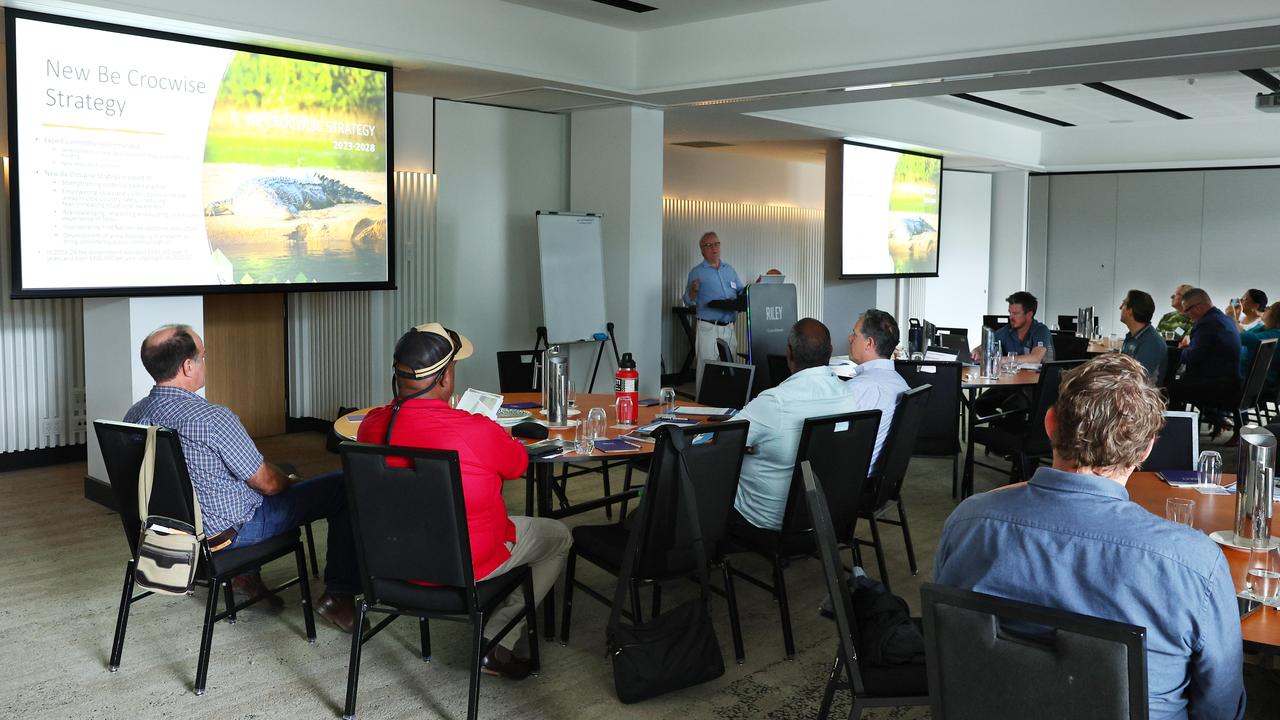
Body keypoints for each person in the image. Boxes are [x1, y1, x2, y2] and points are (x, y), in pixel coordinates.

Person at [934, 354, 1245, 720]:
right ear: (1145, 450)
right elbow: (1220, 709)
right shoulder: (1193, 563)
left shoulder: (967, 522)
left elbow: (950, 650)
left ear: (1050, 425)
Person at [356, 323, 571, 680]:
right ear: (444, 380)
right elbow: (517, 464)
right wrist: (486, 431)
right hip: (462, 564)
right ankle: (496, 642)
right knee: (559, 536)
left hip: (390, 562)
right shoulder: (473, 429)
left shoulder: (371, 427)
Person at [124, 325, 361, 632]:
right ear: (187, 367)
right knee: (342, 486)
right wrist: (288, 479)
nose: (205, 362)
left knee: (235, 483)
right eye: (203, 356)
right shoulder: (212, 418)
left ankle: (244, 576)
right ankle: (339, 596)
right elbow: (268, 484)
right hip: (224, 535)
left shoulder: (134, 416)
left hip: (167, 533)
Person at [730, 318, 866, 531]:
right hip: (826, 514)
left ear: (789, 352)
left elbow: (721, 442)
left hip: (767, 517)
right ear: (829, 352)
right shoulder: (847, 395)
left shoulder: (774, 402)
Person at [845, 308, 910, 472]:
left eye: (854, 334)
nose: (849, 338)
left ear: (869, 343)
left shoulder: (857, 388)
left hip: (850, 481)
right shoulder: (902, 385)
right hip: (880, 481)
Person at [972, 291, 1053, 415]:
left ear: (1029, 314)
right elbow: (984, 345)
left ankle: (1013, 430)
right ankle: (1002, 428)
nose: (1011, 317)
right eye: (1010, 312)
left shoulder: (1041, 330)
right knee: (980, 404)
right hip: (1011, 383)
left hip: (1035, 386)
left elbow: (1035, 357)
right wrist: (976, 351)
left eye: (1015, 313)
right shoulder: (1007, 331)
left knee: (1013, 407)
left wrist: (1002, 359)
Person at [1167, 288, 1242, 418]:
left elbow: (1192, 357)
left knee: (1168, 388)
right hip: (1232, 382)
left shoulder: (1206, 324)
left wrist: (1173, 352)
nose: (1186, 315)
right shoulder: (1225, 319)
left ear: (1199, 307)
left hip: (1217, 387)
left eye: (1187, 310)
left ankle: (1175, 427)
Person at [684, 231, 743, 389]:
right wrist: (694, 291)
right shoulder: (697, 272)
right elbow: (687, 300)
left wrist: (754, 290)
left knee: (730, 369)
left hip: (729, 327)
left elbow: (741, 291)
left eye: (716, 244)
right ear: (702, 251)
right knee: (707, 370)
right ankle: (703, 407)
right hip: (709, 327)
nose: (714, 248)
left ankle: (728, 406)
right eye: (708, 245)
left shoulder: (729, 270)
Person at [1119, 289, 1167, 382]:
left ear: (1130, 311)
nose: (1120, 307)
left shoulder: (1151, 342)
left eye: (1124, 303)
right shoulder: (1134, 337)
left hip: (1142, 394)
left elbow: (1138, 379)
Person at [1239, 301, 1280, 389]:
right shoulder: (1263, 327)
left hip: (1258, 379)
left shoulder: (1277, 334)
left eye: (1269, 308)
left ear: (1276, 315)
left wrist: (1232, 317)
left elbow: (1244, 338)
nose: (1265, 309)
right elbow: (1245, 335)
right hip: (1249, 373)